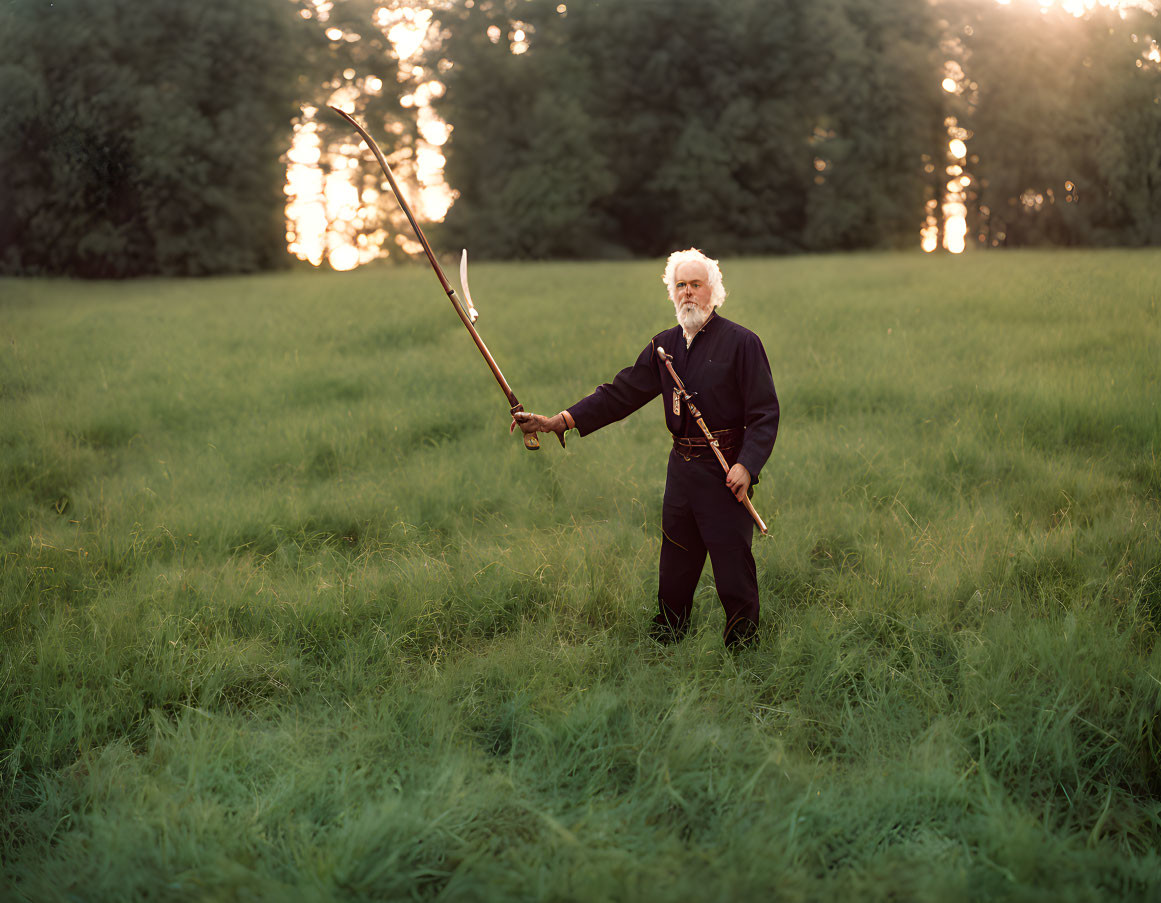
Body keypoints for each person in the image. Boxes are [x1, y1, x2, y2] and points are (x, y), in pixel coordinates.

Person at [513, 248, 779, 648]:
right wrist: (557, 421)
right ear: (672, 293)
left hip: (725, 471)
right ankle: (669, 641)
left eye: (696, 285)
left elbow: (764, 414)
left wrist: (747, 466)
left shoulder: (743, 343)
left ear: (714, 291)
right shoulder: (664, 346)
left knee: (732, 566)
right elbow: (619, 395)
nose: (688, 293)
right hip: (682, 471)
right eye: (680, 286)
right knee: (675, 562)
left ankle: (743, 649)